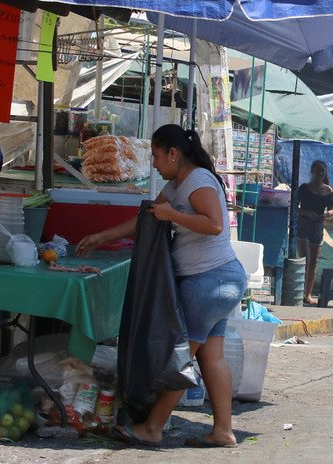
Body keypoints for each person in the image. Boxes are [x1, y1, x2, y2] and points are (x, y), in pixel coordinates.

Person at [77, 124, 246, 448]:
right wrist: (102, 237)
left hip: (208, 282)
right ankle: (223, 430)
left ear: (173, 153)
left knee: (180, 360)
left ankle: (153, 427)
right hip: (221, 280)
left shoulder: (196, 181)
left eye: (156, 156)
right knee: (212, 358)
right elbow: (149, 217)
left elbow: (214, 224)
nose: (153, 163)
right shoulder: (177, 184)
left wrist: (173, 216)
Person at [296, 160, 333, 305]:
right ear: (311, 172)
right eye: (317, 171)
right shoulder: (304, 188)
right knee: (304, 260)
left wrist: (326, 215)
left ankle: (308, 294)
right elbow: (295, 207)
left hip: (318, 226)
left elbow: (332, 209)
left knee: (313, 262)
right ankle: (299, 292)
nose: (320, 174)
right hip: (304, 224)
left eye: (322, 171)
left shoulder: (329, 190)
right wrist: (307, 213)